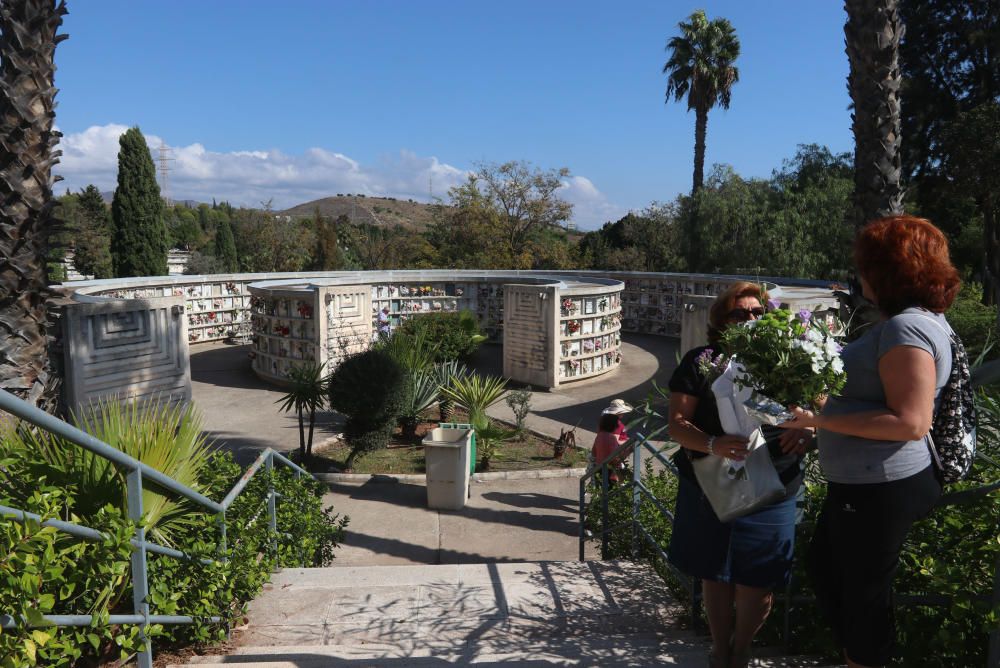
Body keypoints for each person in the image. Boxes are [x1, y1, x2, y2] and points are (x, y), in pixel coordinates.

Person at [778, 215, 958, 668]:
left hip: (882, 484)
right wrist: (818, 422)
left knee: (861, 597)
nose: (859, 276)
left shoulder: (907, 329)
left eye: (865, 266)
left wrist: (818, 420)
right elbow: (873, 398)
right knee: (832, 576)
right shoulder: (915, 322)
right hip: (867, 483)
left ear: (888, 269)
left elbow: (911, 421)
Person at [667, 280, 811, 668]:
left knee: (759, 576)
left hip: (776, 482)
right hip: (713, 485)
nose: (750, 318)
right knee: (716, 571)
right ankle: (719, 648)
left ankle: (742, 649)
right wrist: (713, 444)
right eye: (740, 312)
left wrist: (807, 427)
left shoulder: (786, 356)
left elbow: (819, 405)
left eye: (757, 312)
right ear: (721, 320)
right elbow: (677, 424)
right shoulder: (702, 361)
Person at [591, 412, 627, 485]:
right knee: (612, 492)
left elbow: (593, 453)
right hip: (610, 470)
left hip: (599, 468)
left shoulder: (599, 436)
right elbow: (615, 457)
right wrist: (628, 451)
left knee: (602, 491)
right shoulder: (612, 438)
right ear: (613, 426)